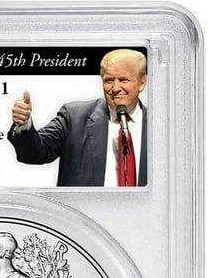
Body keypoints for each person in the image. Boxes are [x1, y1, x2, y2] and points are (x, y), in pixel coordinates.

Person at [8, 48, 147, 187]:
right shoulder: (74, 118)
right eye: (109, 80)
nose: (115, 88)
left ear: (142, 82)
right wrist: (24, 124)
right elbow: (34, 153)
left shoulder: (158, 126)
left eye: (123, 80)